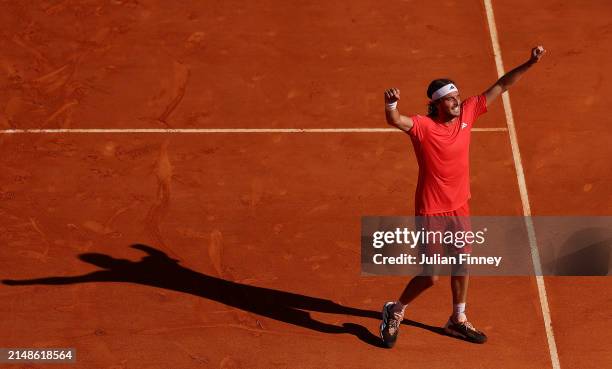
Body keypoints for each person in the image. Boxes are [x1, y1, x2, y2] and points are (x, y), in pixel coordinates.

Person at [379, 45, 547, 347]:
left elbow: (502, 85)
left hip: (459, 206)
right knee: (430, 276)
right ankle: (396, 309)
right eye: (450, 99)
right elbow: (396, 121)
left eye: (457, 96)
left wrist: (529, 63)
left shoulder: (469, 111)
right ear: (438, 104)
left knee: (462, 263)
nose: (457, 101)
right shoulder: (424, 127)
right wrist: (391, 106)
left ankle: (457, 319)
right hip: (431, 209)